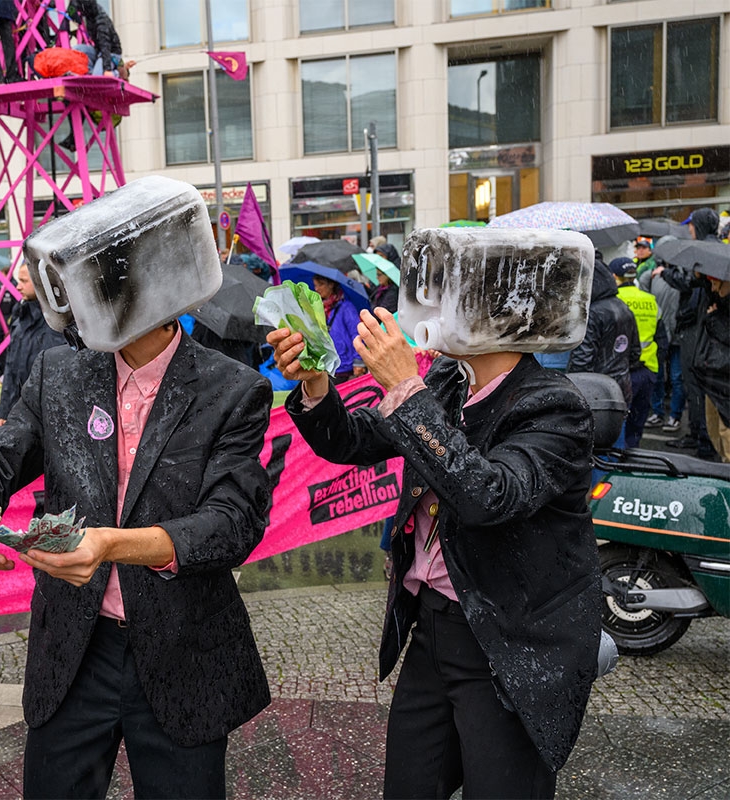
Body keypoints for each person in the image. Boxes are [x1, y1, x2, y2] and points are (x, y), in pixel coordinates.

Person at [0, 193, 272, 796]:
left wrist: (111, 545)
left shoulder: (233, 390)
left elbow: (231, 524)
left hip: (181, 653)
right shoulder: (58, 374)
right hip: (73, 650)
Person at [269, 304, 601, 799]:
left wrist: (404, 387)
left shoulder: (554, 405)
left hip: (507, 643)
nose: (439, 313)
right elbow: (355, 441)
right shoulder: (448, 377)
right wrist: (317, 385)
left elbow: (487, 496)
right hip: (432, 628)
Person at [665, 208, 721, 459]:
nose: (688, 229)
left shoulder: (702, 252)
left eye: (691, 225)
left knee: (696, 386)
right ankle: (705, 438)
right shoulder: (719, 249)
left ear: (697, 226)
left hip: (701, 329)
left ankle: (703, 441)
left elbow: (688, 282)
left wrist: (665, 272)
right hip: (710, 328)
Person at [0, 263, 66, 426]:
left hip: (47, 418)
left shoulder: (58, 323)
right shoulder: (21, 318)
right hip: (23, 415)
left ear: (40, 283)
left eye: (24, 281)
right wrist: (4, 411)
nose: (18, 287)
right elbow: (11, 370)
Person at [568, 259, 639, 411]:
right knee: (619, 429)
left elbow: (582, 361)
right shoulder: (623, 307)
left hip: (597, 391)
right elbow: (635, 352)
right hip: (621, 386)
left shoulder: (593, 313)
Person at [610, 257, 660, 448]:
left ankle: (619, 465)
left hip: (622, 370)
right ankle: (633, 456)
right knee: (637, 422)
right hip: (648, 368)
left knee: (618, 421)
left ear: (615, 277)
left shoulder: (615, 301)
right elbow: (662, 337)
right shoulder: (650, 300)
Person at [641, 248, 684, 432]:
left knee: (675, 378)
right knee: (661, 377)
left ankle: (674, 415)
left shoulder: (682, 277)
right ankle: (659, 413)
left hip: (675, 336)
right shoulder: (653, 276)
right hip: (661, 334)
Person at [692, 266, 729, 460]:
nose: (713, 288)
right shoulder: (719, 302)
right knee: (715, 431)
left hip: (725, 383)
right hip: (713, 381)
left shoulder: (719, 312)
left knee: (725, 434)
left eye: (716, 283)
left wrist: (713, 318)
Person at [312, 274, 366, 384]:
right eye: (315, 285)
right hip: (328, 366)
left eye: (321, 284)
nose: (317, 289)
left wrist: (358, 361)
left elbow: (357, 334)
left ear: (331, 284)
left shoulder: (346, 307)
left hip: (346, 366)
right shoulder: (320, 308)